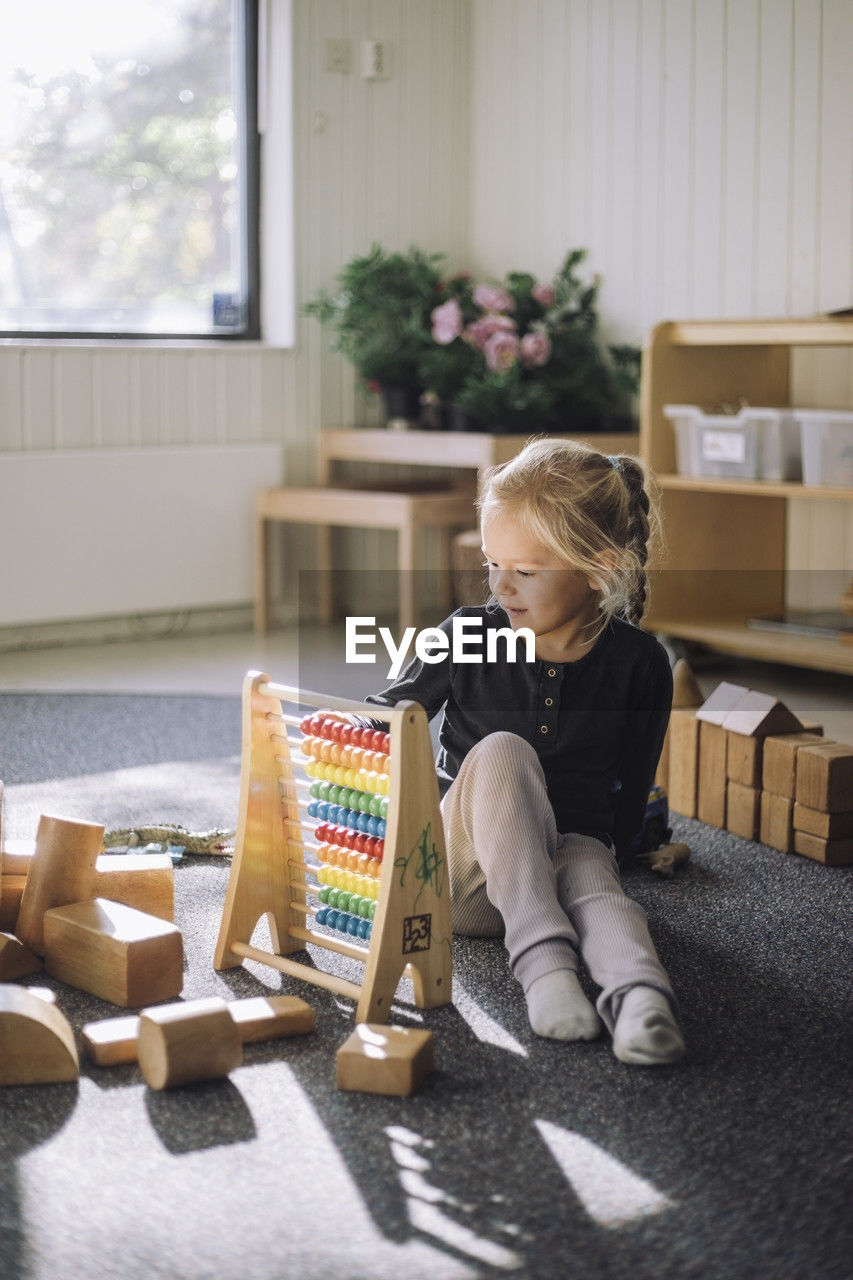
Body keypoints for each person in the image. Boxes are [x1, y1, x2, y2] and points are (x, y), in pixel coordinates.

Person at [360, 437, 685, 1066]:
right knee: (504, 751)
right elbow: (389, 716)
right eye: (492, 564)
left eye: (525, 571)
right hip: (461, 880)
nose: (500, 586)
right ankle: (545, 969)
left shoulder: (642, 663)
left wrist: (613, 848)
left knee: (596, 874)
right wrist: (348, 728)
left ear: (598, 567)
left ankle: (643, 1000)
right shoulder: (467, 634)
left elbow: (631, 787)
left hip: (564, 861)